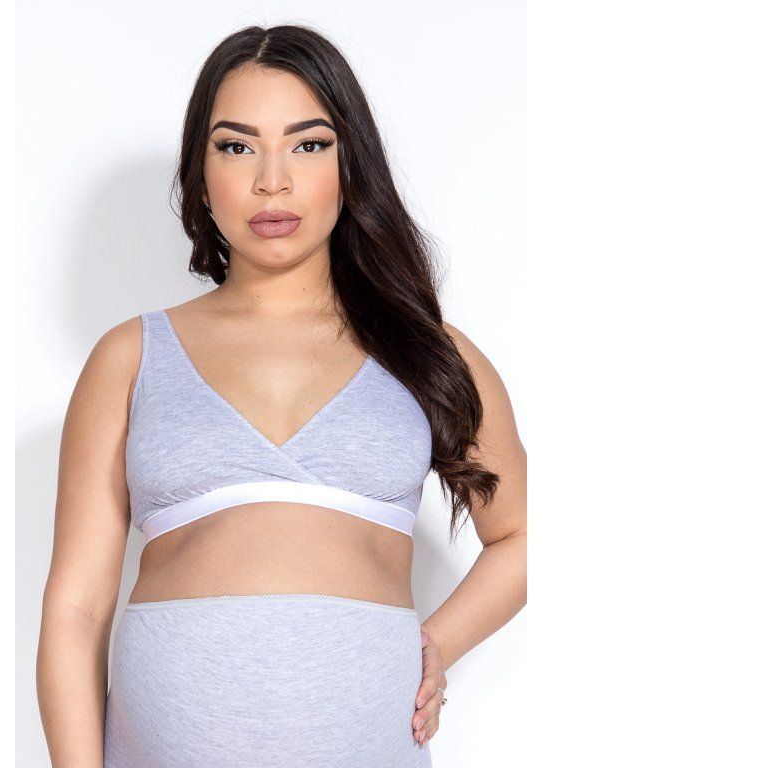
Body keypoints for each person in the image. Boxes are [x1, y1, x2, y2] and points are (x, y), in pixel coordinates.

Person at [37, 23, 527, 768]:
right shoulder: (130, 357)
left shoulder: (430, 353)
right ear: (200, 171)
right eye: (237, 147)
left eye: (309, 144)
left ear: (351, 163)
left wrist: (438, 642)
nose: (273, 180)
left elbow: (526, 536)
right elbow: (76, 610)